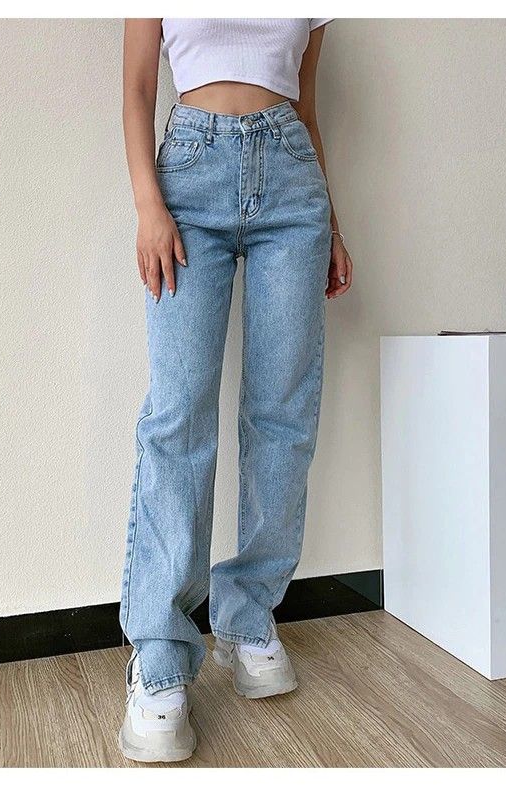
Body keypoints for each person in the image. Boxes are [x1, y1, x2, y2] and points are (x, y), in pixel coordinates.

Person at [119, 18, 352, 762]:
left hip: (292, 181)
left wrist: (332, 222)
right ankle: (160, 655)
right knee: (179, 416)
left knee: (283, 412)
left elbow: (306, 107)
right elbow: (137, 87)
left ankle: (249, 616)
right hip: (189, 175)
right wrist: (148, 205)